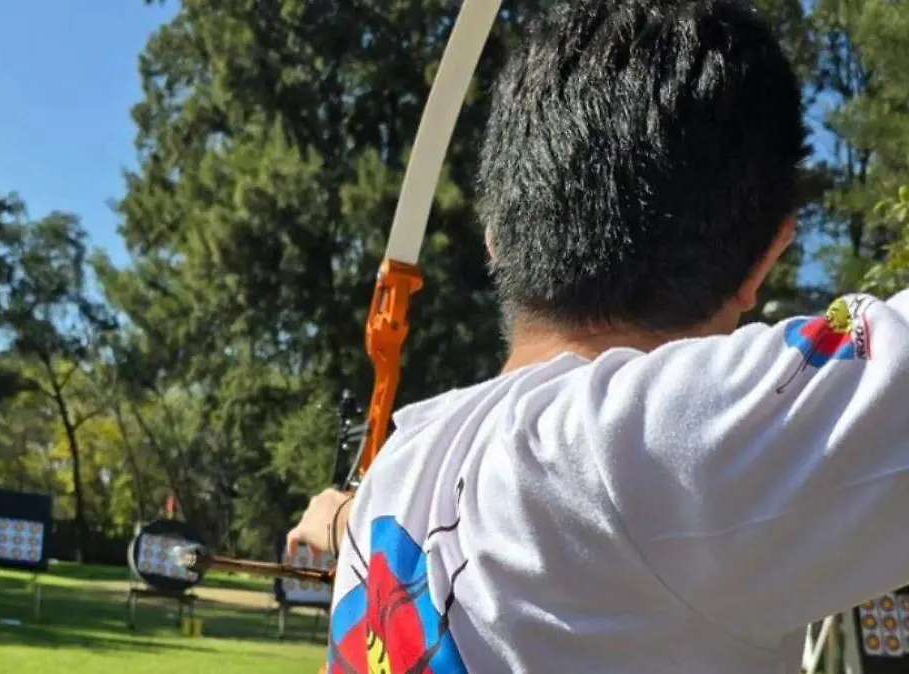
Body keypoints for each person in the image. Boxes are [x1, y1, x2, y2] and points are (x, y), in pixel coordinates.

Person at [285, 0, 909, 672]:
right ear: (765, 260)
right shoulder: (665, 444)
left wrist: (338, 517)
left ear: (495, 238)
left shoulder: (406, 464)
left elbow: (355, 516)